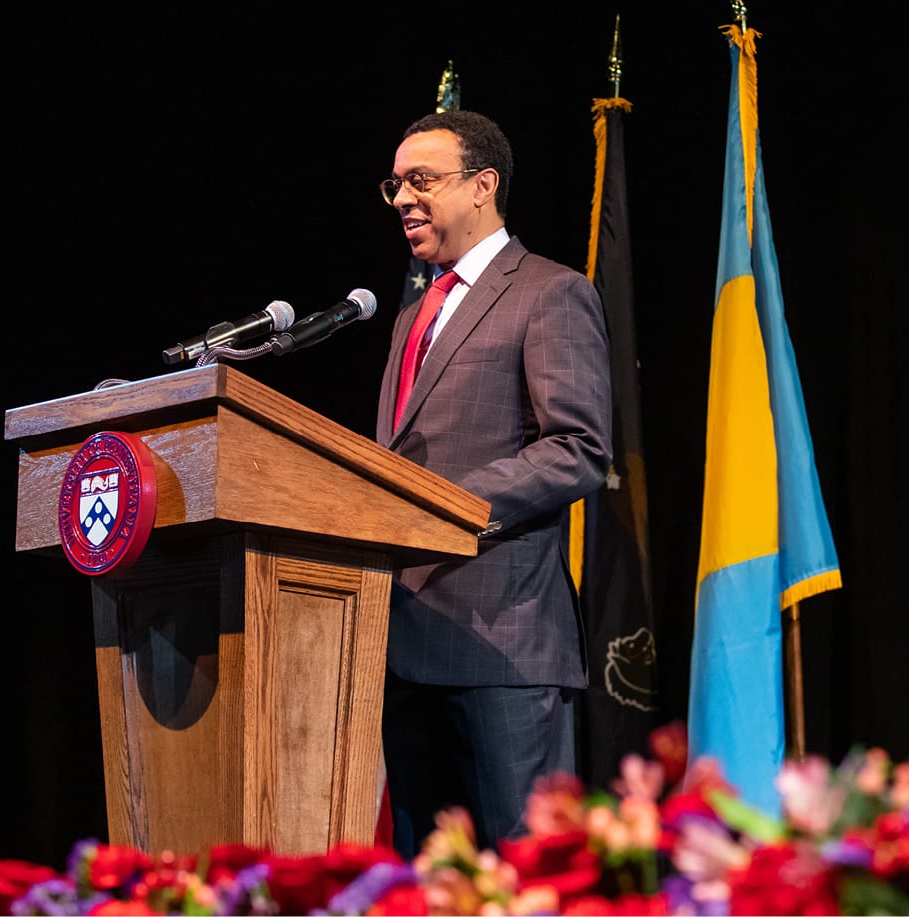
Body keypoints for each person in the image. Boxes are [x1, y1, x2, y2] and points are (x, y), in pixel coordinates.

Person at [372, 109, 613, 858]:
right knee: (428, 882)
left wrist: (445, 507)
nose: (403, 199)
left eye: (421, 180)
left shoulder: (548, 291)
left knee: (526, 875)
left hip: (501, 643)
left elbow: (577, 448)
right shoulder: (413, 313)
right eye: (394, 185)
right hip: (403, 643)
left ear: (483, 185)